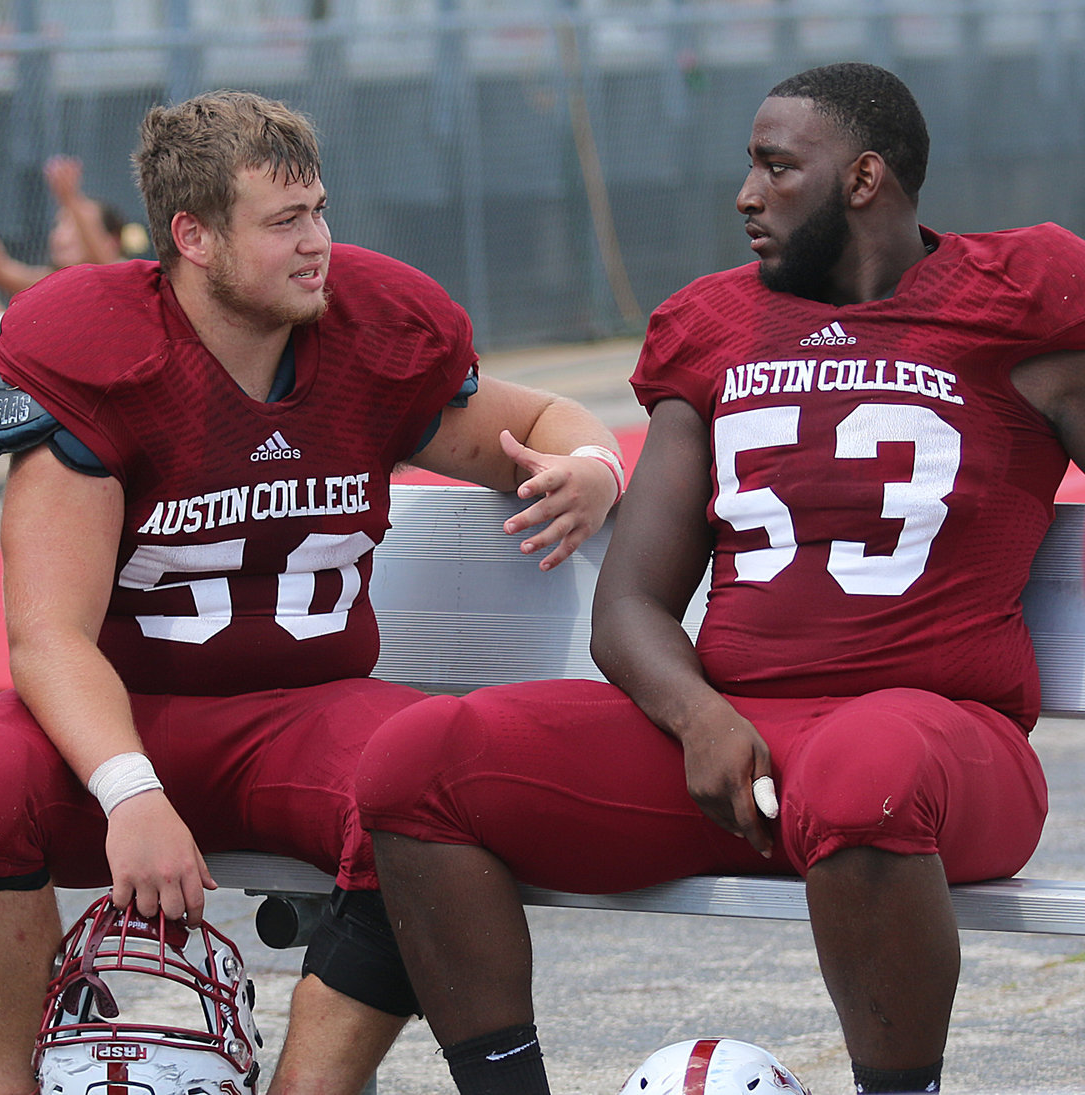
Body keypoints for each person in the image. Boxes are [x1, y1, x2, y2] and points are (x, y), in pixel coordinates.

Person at [356, 61, 1085, 1095]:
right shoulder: (717, 326)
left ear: (866, 178)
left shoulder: (1020, 299)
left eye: (777, 167)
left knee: (863, 769)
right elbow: (632, 607)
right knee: (416, 762)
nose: (745, 195)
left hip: (940, 752)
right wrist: (699, 716)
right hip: (731, 750)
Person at [0, 89, 624, 1095]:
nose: (319, 243)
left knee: (429, 799)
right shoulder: (98, 348)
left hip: (309, 710)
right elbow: (47, 636)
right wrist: (131, 793)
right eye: (284, 222)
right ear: (191, 236)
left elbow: (545, 420)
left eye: (321, 212)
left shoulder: (374, 331)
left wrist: (593, 463)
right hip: (131, 712)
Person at [0, 154, 132, 296]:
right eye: (59, 225)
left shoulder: (128, 281)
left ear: (112, 242)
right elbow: (2, 271)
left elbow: (105, 261)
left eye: (76, 226)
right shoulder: (55, 281)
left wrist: (70, 199)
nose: (62, 236)